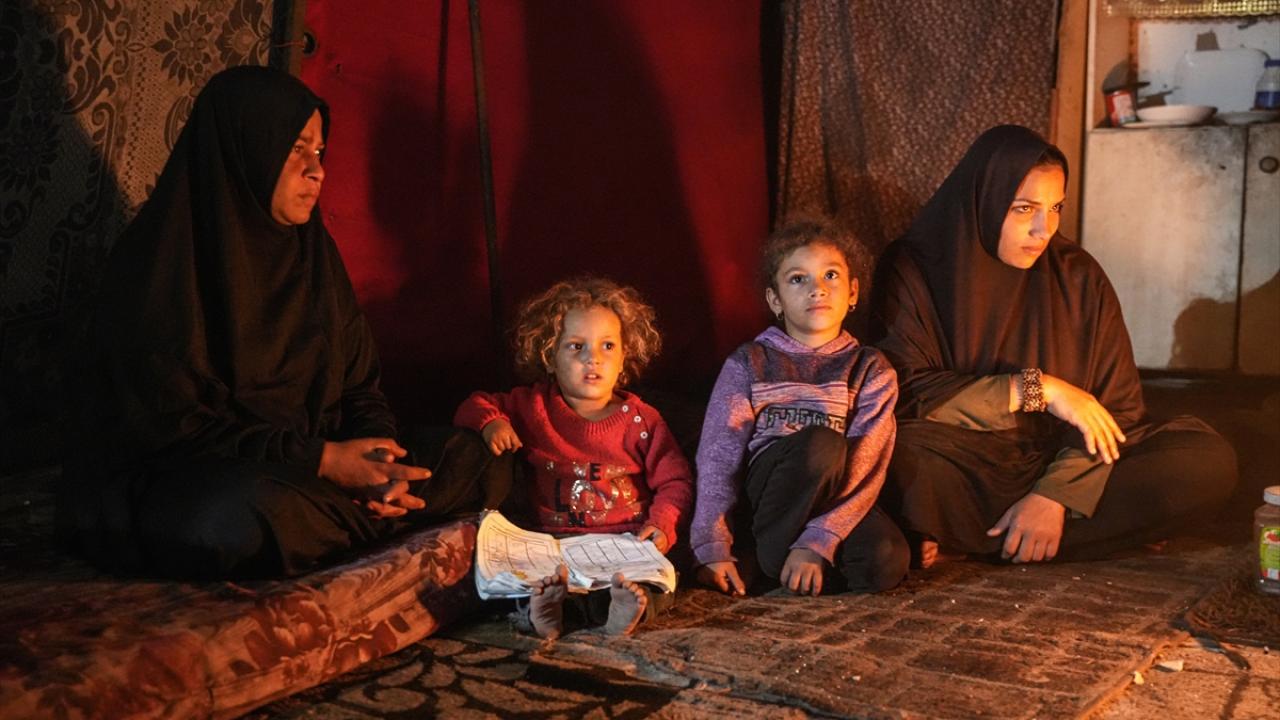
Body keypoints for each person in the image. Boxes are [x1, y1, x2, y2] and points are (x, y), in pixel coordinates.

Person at [57, 66, 488, 580]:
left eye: (320, 152)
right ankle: (362, 520)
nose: (317, 171)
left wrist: (379, 458)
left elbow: (360, 387)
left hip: (316, 468)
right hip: (206, 474)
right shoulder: (160, 265)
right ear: (246, 150)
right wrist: (322, 462)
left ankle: (363, 512)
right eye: (296, 149)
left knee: (477, 457)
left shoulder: (314, 253)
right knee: (237, 516)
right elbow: (174, 429)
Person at [871, 124, 1237, 568]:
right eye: (1024, 209)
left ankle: (981, 538)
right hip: (965, 461)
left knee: (1205, 461)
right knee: (891, 453)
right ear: (985, 199)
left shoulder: (1079, 276)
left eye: (1055, 208)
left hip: (1066, 458)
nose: (1043, 229)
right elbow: (906, 394)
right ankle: (1090, 536)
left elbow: (1116, 412)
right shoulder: (915, 266)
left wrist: (1055, 495)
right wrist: (1039, 390)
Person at [454, 277, 693, 639]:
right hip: (553, 543)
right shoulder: (533, 406)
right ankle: (546, 612)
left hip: (624, 542)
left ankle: (622, 611)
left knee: (656, 582)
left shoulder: (643, 421)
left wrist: (662, 523)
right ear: (549, 358)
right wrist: (492, 423)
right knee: (529, 582)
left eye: (607, 346)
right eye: (576, 346)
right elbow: (474, 404)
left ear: (624, 357)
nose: (592, 358)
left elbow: (675, 480)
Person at [690, 218, 909, 598]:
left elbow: (867, 464)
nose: (817, 289)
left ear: (853, 292)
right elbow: (717, 458)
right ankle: (777, 556)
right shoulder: (749, 362)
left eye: (830, 276)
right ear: (775, 300)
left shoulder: (870, 368)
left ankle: (784, 563)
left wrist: (818, 541)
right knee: (820, 444)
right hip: (771, 494)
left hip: (837, 497)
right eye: (797, 279)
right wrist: (712, 545)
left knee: (887, 559)